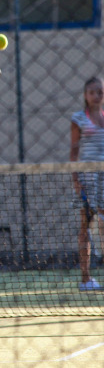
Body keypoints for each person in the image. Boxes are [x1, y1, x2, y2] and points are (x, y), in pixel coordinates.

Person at [70, 76, 104, 292]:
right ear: (85, 95)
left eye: (100, 92)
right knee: (86, 226)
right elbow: (74, 151)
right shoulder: (78, 119)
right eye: (92, 92)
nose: (96, 96)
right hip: (87, 177)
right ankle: (85, 278)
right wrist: (76, 179)